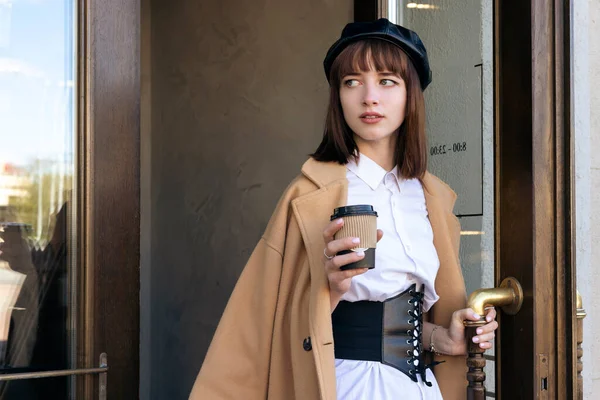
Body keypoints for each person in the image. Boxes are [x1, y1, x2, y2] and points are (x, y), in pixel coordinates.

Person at [189, 18, 498, 400]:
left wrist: (444, 337)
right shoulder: (311, 194)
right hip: (343, 385)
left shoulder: (430, 198)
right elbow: (265, 322)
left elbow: (405, 321)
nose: (369, 97)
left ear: (410, 95)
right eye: (352, 82)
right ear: (338, 96)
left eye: (387, 81)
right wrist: (331, 287)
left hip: (418, 388)